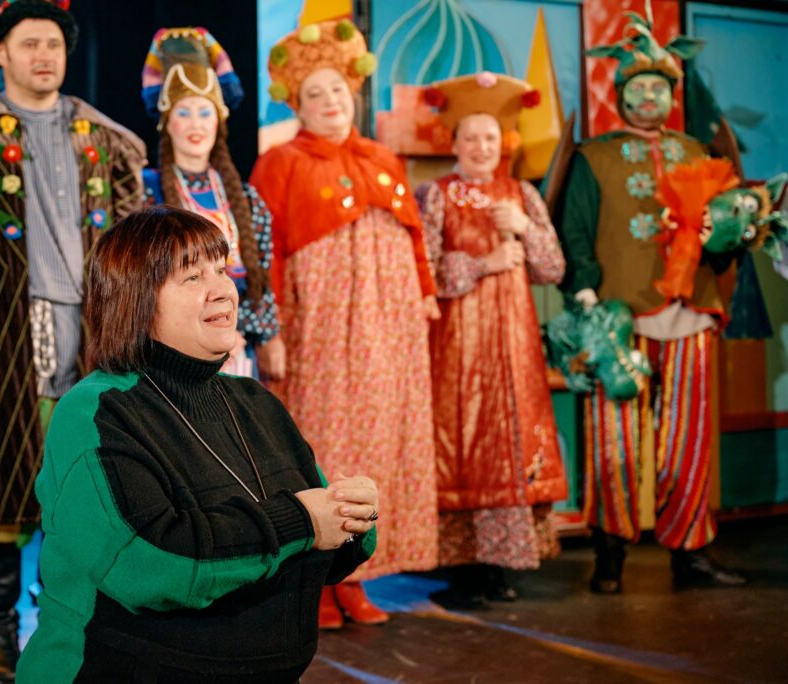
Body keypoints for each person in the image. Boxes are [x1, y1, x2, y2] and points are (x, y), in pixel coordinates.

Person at [16, 206, 377, 683]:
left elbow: (322, 549)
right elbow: (150, 564)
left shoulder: (256, 403)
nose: (222, 288)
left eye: (221, 270)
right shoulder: (95, 411)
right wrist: (303, 521)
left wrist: (353, 517)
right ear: (136, 300)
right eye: (192, 276)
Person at [0, 0, 146, 679]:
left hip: (96, 335)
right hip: (5, 328)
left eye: (53, 43)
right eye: (29, 43)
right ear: (1, 53)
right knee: (3, 479)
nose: (44, 55)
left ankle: (70, 626)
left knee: (90, 481)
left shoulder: (107, 139)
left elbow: (136, 248)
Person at [251, 19, 439, 628]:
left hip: (390, 328)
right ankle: (316, 583)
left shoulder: (382, 157)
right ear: (297, 103)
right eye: (315, 94)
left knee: (377, 446)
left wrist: (426, 295)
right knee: (321, 445)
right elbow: (265, 254)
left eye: (337, 89)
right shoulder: (280, 163)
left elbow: (414, 239)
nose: (330, 101)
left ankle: (355, 575)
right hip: (322, 330)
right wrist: (271, 329)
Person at [553, 7, 746, 593]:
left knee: (689, 439)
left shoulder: (699, 154)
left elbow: (724, 233)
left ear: (673, 95)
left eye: (658, 87)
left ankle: (691, 553)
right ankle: (609, 552)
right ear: (619, 96)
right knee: (612, 440)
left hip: (690, 312)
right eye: (636, 87)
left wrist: (729, 237)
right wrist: (586, 294)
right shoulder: (593, 158)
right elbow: (575, 230)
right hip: (618, 316)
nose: (647, 97)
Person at [415, 74, 568, 608]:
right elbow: (423, 272)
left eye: (490, 137)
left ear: (505, 142)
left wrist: (525, 228)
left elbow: (553, 269)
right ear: (454, 143)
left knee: (513, 439)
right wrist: (484, 263)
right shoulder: (436, 195)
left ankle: (501, 563)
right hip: (460, 343)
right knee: (465, 439)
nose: (481, 147)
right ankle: (463, 568)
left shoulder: (521, 195)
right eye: (471, 137)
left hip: (515, 341)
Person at [140, 26, 283, 380]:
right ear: (166, 123)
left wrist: (251, 335)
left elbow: (261, 279)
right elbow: (141, 284)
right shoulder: (146, 194)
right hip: (169, 354)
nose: (196, 124)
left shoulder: (245, 200)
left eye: (204, 113)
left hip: (237, 348)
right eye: (183, 113)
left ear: (219, 123)